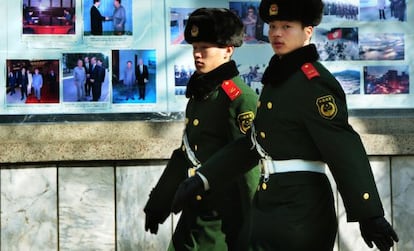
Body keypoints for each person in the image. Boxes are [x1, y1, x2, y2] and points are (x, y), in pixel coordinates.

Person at [171, 1, 399, 251]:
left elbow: (342, 146)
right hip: (269, 205)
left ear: (308, 32)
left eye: (287, 26)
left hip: (302, 210)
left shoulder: (313, 82)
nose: (276, 33)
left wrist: (368, 212)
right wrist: (203, 178)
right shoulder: (279, 80)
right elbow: (254, 143)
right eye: (272, 26)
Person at [144, 8, 260, 251]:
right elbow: (186, 153)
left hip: (222, 227)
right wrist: (159, 202)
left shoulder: (239, 99)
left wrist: (248, 233)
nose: (197, 54)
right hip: (194, 219)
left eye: (205, 47)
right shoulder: (201, 96)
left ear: (228, 50)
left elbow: (248, 170)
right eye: (195, 47)